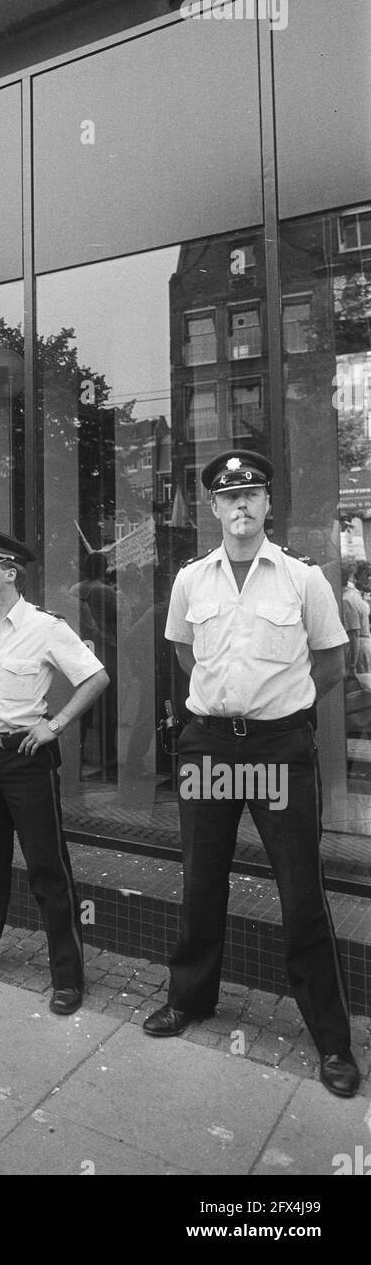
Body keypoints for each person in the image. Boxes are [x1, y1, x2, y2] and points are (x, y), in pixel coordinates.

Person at [143, 451, 360, 1098]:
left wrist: (280, 707)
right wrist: (228, 707)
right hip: (207, 747)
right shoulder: (190, 582)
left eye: (252, 495)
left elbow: (331, 659)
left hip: (275, 752)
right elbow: (184, 653)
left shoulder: (302, 580)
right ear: (212, 508)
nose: (240, 506)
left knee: (299, 892)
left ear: (267, 505)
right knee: (199, 878)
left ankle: (330, 1041)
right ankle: (189, 999)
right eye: (228, 497)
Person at [0, 531, 109, 1015]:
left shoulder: (45, 627)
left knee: (46, 867)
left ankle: (67, 974)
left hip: (26, 760)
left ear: (10, 574)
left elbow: (96, 676)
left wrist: (55, 724)